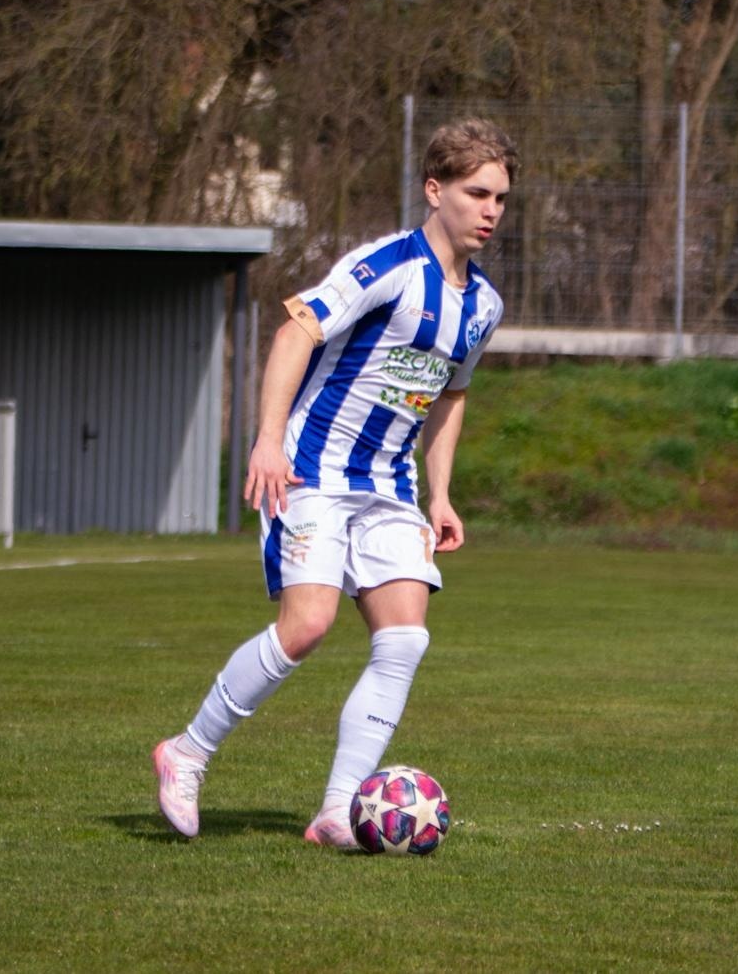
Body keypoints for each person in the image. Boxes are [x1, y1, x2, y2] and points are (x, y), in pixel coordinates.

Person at [152, 117, 516, 846]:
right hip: (313, 469)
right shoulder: (386, 265)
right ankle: (186, 751)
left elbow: (449, 395)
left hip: (389, 485)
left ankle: (337, 809)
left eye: (502, 199)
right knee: (307, 625)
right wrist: (266, 439)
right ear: (434, 189)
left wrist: (440, 493)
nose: (491, 211)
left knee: (405, 639)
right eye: (478, 193)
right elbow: (295, 331)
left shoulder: (483, 305)